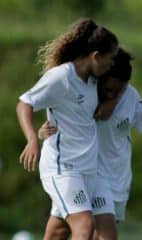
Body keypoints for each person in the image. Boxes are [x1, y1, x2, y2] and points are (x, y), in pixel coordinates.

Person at [37, 48, 142, 239]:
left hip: (116, 176)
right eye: (109, 90)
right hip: (84, 172)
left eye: (119, 90)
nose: (112, 94)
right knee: (92, 230)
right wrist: (40, 133)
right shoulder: (83, 93)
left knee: (65, 228)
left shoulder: (129, 95)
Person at [16, 18, 119, 240]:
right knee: (84, 226)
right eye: (109, 60)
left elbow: (122, 74)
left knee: (63, 230)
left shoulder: (92, 80)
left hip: (89, 168)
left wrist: (110, 103)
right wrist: (33, 139)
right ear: (95, 56)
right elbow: (25, 103)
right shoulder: (61, 77)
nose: (111, 65)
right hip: (63, 168)